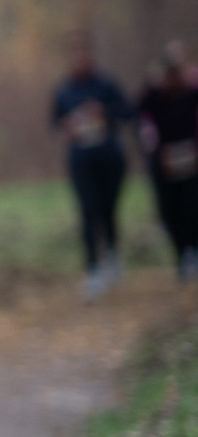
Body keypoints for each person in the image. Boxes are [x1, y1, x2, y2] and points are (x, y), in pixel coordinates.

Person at [50, 32, 133, 299]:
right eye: (75, 55)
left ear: (91, 56)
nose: (79, 60)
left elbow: (128, 112)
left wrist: (104, 112)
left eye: (84, 54)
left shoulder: (106, 85)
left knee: (107, 209)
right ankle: (92, 269)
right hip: (81, 161)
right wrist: (68, 127)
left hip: (109, 159)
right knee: (87, 212)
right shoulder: (64, 90)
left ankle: (111, 253)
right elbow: (55, 122)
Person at [136, 45, 198, 278]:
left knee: (192, 207)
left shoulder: (191, 91)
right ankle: (181, 255)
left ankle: (193, 249)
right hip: (165, 162)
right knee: (170, 211)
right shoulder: (155, 96)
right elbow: (138, 113)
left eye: (177, 70)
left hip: (191, 160)